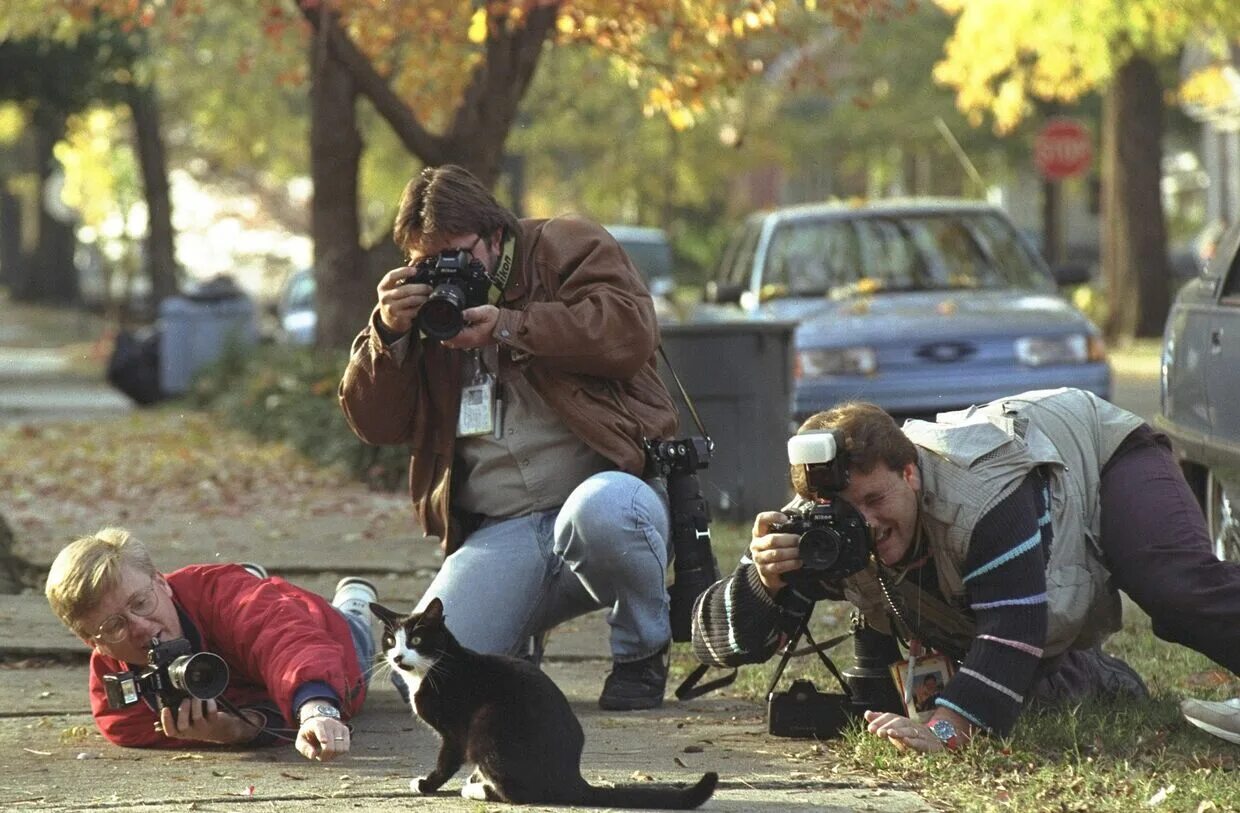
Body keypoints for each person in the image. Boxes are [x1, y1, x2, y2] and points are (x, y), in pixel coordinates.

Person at [693, 388, 1240, 752]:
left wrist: (946, 728)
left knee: (1173, 589)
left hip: (1098, 452)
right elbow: (711, 641)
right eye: (843, 510)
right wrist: (760, 580)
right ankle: (1093, 676)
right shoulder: (819, 527)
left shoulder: (980, 495)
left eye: (875, 499)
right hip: (1018, 574)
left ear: (910, 473)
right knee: (998, 677)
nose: (865, 524)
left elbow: (1012, 629)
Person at [338, 164, 679, 711]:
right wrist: (387, 335)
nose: (445, 270)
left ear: (497, 237)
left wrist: (508, 324)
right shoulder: (424, 310)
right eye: (427, 261)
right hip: (506, 528)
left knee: (605, 510)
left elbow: (629, 332)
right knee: (423, 679)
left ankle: (642, 650)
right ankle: (514, 642)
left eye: (458, 253)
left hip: (605, 496)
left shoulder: (566, 246)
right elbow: (375, 426)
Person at [45, 528, 378, 761]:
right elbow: (124, 726)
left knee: (353, 633)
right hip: (255, 686)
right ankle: (251, 576)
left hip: (327, 640)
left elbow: (287, 639)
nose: (141, 628)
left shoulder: (216, 593)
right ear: (92, 642)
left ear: (162, 582)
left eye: (142, 603)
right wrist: (232, 731)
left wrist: (316, 710)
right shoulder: (120, 699)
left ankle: (355, 601)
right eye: (115, 626)